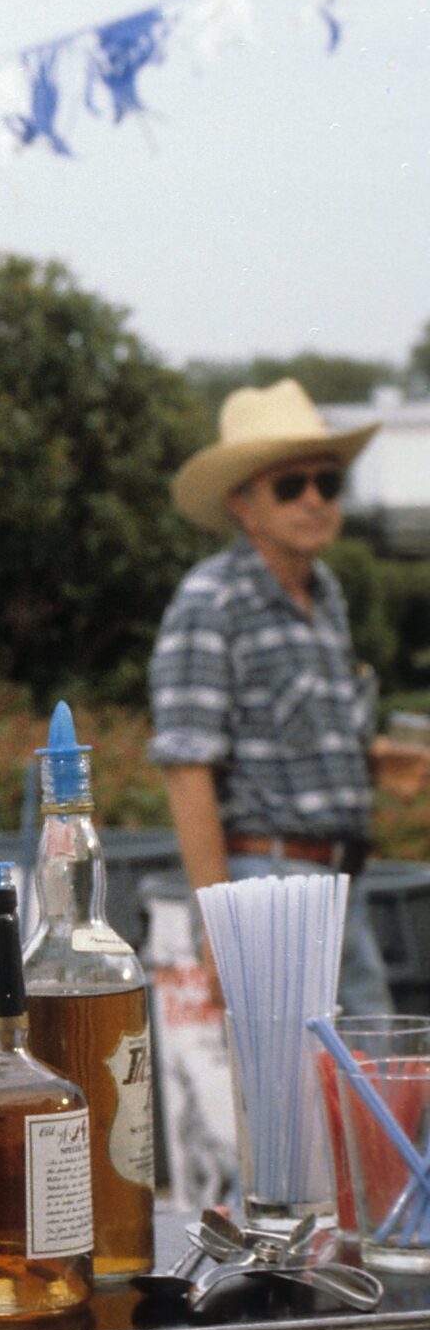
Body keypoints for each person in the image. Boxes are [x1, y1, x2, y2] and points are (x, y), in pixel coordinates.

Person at [151, 378, 430, 1013]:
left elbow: (296, 743)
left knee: (376, 1092)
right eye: (289, 485)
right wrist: (218, 929)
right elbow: (186, 768)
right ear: (243, 505)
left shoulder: (325, 594)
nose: (314, 500)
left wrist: (376, 759)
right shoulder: (211, 602)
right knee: (303, 1100)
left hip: (341, 886)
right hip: (268, 886)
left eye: (327, 483)